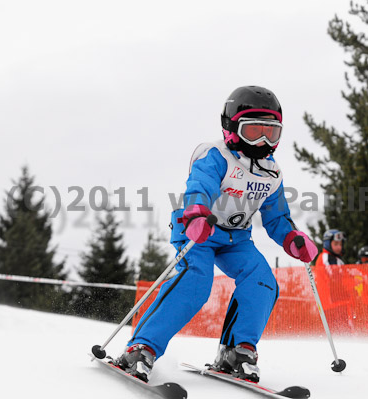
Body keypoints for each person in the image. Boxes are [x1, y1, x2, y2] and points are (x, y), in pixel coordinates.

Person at [113, 85, 318, 383]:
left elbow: (276, 217)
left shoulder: (271, 174)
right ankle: (141, 348)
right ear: (231, 127)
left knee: (262, 281)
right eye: (253, 131)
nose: (262, 140)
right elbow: (201, 185)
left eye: (270, 132)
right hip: (199, 229)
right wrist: (197, 211)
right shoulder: (216, 155)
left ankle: (237, 351)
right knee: (195, 282)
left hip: (237, 239)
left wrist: (292, 238)